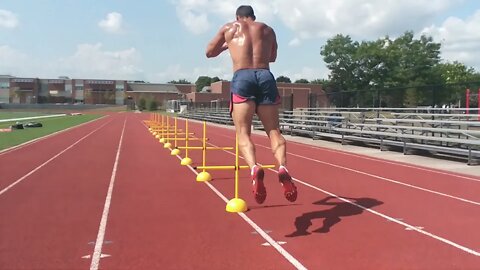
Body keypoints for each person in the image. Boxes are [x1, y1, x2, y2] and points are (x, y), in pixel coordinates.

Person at [206, 5, 297, 204]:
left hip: (242, 76)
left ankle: (255, 168)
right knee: (274, 131)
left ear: (238, 17)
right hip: (265, 76)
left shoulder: (229, 28)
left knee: (243, 132)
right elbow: (272, 57)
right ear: (253, 17)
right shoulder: (267, 29)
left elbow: (209, 52)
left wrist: (226, 45)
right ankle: (282, 167)